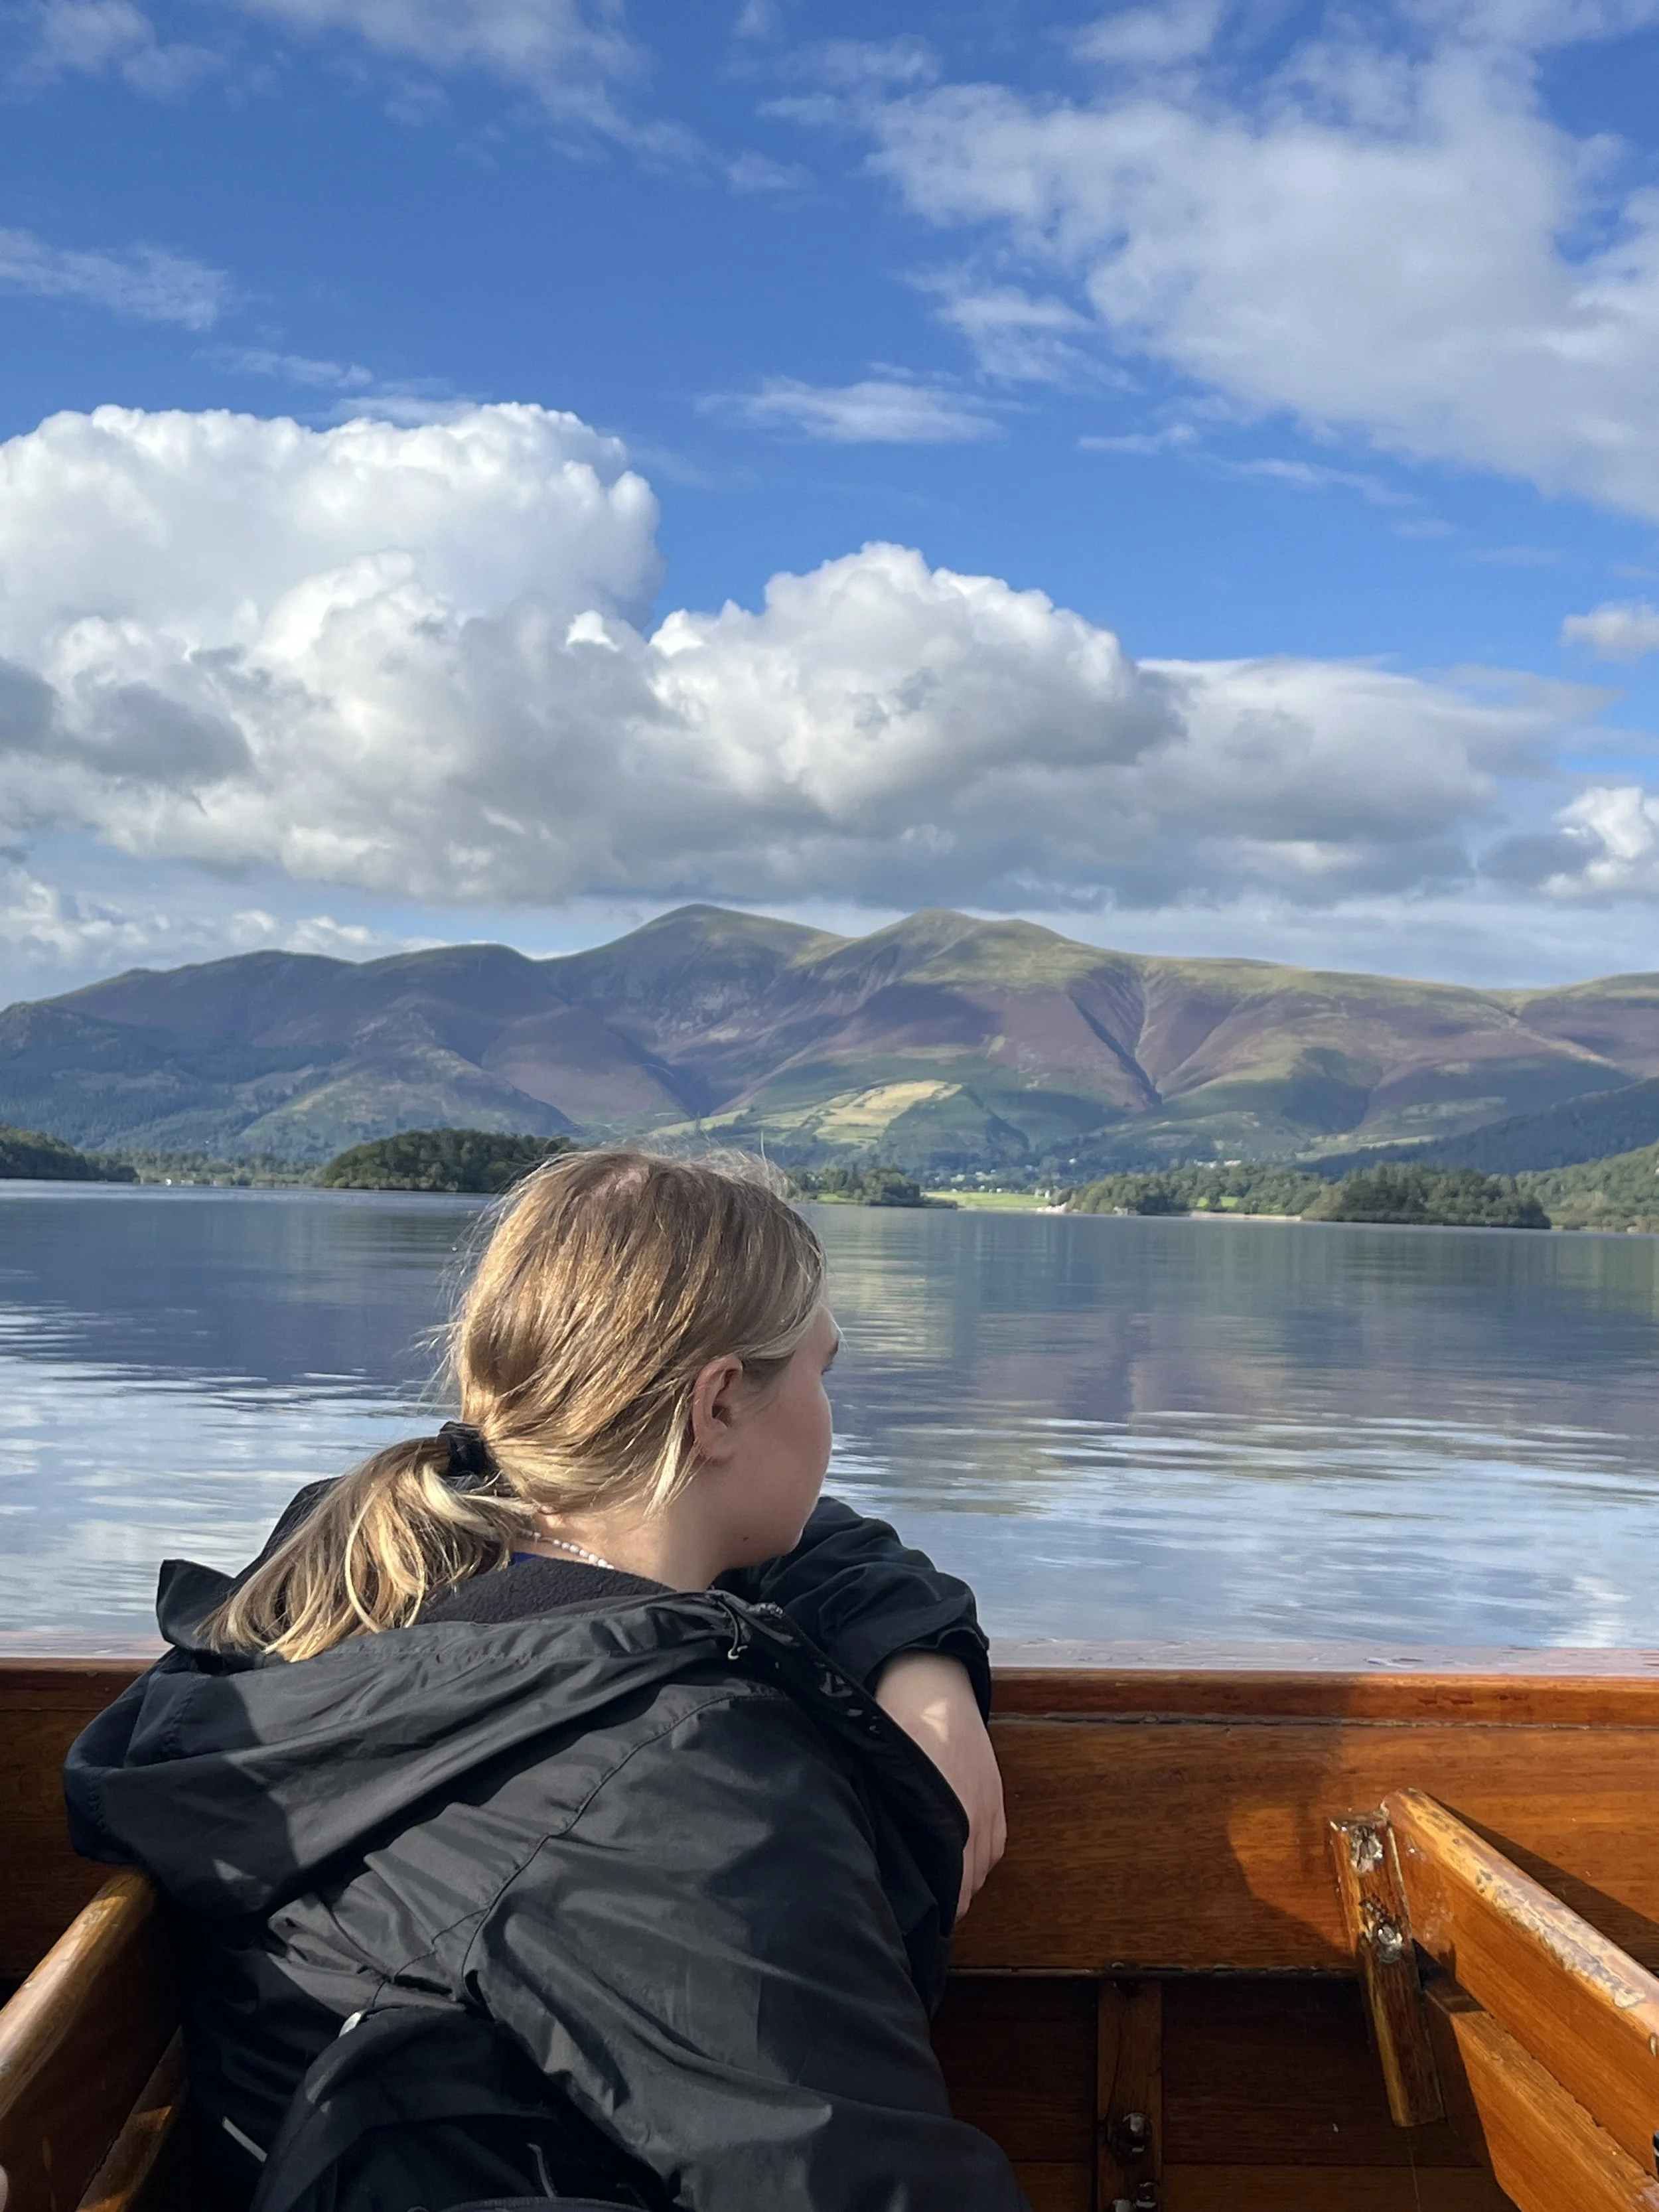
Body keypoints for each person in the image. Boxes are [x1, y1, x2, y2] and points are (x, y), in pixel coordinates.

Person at [65, 1149, 1023, 2212]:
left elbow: (793, 1538)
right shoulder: (674, 1785)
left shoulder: (346, 1578)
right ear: (715, 1409)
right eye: (821, 1372)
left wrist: (919, 1657)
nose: (832, 1421)